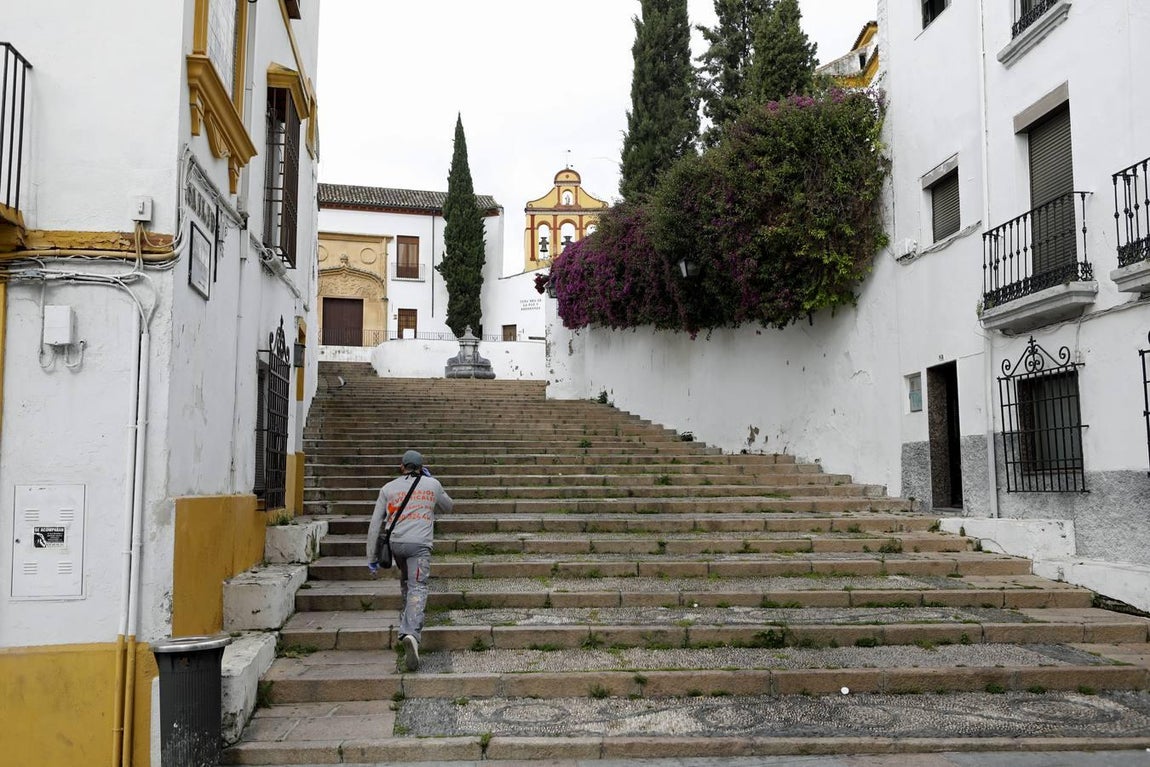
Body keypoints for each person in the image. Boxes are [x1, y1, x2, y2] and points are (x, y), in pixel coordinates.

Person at [365, 450, 452, 671]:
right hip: (420, 544)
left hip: (396, 544)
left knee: (406, 583)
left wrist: (371, 557)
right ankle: (411, 633)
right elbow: (448, 506)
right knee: (418, 587)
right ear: (422, 467)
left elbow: (375, 524)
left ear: (402, 466)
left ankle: (406, 622)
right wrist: (431, 481)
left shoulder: (388, 488)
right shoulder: (432, 484)